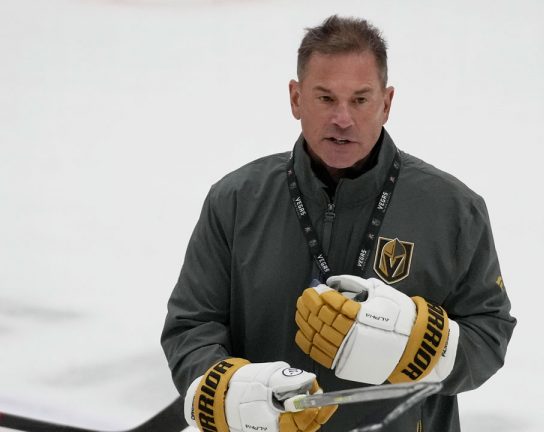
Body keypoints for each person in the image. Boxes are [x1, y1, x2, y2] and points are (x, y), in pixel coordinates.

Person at [161, 15, 516, 432]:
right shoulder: (236, 201)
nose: (342, 119)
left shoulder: (452, 209)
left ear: (386, 103)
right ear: (296, 99)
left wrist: (431, 349)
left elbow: (489, 334)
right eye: (326, 98)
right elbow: (191, 326)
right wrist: (232, 390)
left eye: (360, 100)